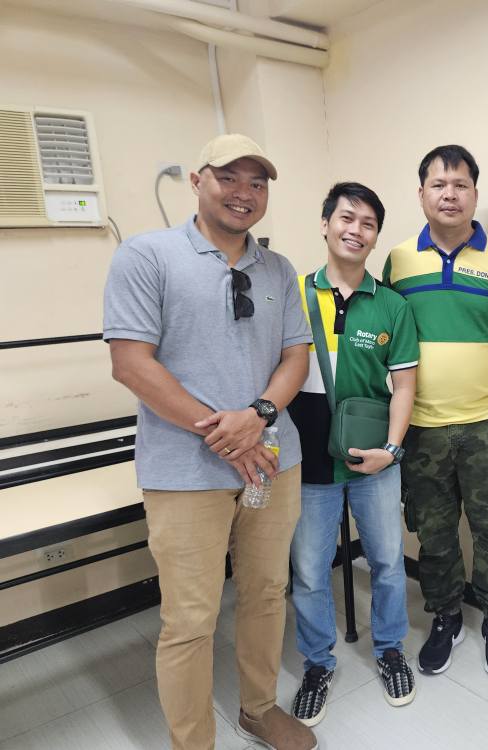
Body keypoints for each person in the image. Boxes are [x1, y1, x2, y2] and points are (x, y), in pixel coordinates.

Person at [103, 134, 316, 750]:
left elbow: (296, 356)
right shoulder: (147, 256)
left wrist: (259, 415)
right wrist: (228, 436)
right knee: (191, 619)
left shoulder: (278, 269)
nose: (243, 193)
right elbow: (131, 364)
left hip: (272, 463)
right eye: (229, 177)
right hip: (184, 471)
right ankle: (192, 742)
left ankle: (258, 708)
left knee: (267, 592)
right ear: (197, 181)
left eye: (257, 182)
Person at [382, 145, 488, 678]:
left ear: (475, 194)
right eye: (438, 184)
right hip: (420, 429)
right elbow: (385, 342)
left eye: (460, 185)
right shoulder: (398, 261)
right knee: (433, 533)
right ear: (421, 194)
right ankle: (446, 616)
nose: (449, 194)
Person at [286, 182, 420, 726]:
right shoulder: (293, 295)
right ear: (325, 224)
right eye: (346, 218)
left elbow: (405, 386)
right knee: (309, 571)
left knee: (387, 562)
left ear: (375, 236)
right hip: (308, 461)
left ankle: (390, 650)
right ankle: (317, 664)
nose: (355, 230)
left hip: (374, 462)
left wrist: (392, 449)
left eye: (368, 224)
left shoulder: (392, 305)